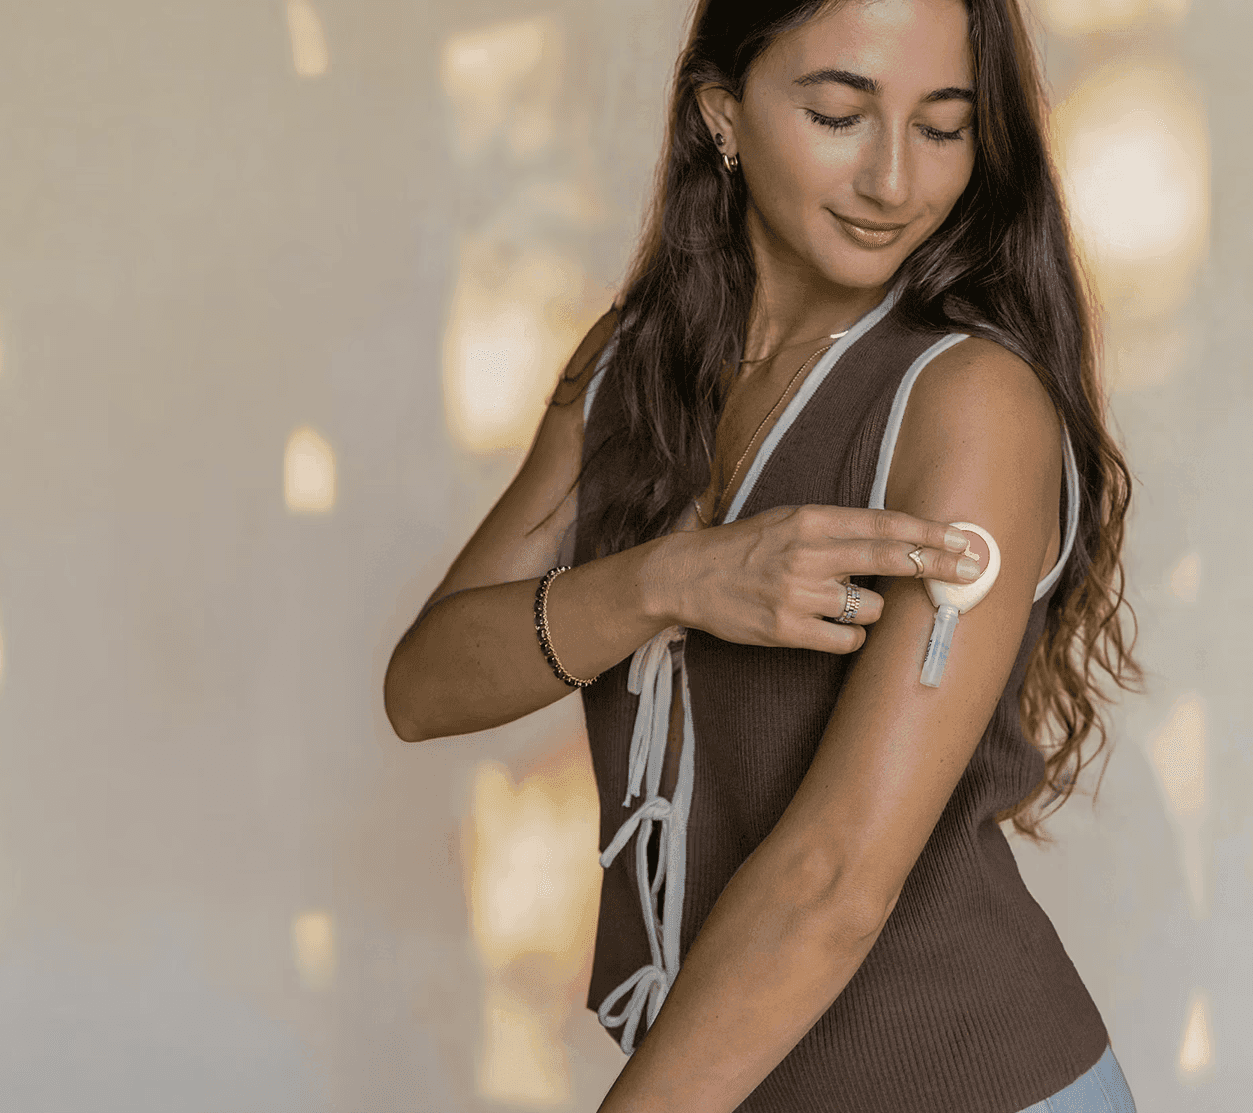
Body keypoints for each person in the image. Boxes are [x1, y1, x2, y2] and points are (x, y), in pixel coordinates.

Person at [384, 0, 1144, 1110]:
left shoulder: (969, 404)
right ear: (721, 114)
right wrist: (671, 580)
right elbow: (425, 685)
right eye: (839, 113)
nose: (895, 180)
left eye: (943, 128)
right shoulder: (634, 364)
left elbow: (832, 882)